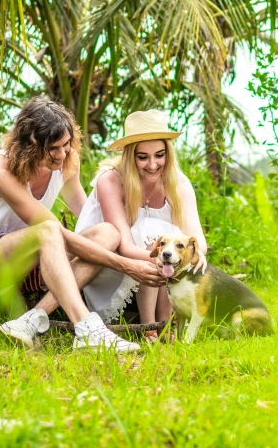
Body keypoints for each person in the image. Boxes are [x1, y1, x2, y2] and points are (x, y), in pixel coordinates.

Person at [0, 97, 165, 352]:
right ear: (29, 145)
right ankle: (87, 328)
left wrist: (132, 242)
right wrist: (126, 264)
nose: (62, 154)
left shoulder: (67, 159)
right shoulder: (0, 169)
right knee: (49, 229)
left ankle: (32, 319)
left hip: (37, 262)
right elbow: (56, 232)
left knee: (108, 232)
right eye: (53, 148)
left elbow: (86, 213)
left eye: (66, 145)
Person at [75, 109, 207, 340]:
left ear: (168, 153)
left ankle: (165, 323)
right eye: (143, 157)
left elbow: (197, 239)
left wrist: (192, 256)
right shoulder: (111, 179)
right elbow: (124, 246)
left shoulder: (178, 182)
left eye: (159, 155)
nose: (153, 164)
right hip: (110, 263)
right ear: (130, 155)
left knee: (170, 240)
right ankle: (149, 326)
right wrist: (163, 257)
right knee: (157, 235)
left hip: (159, 263)